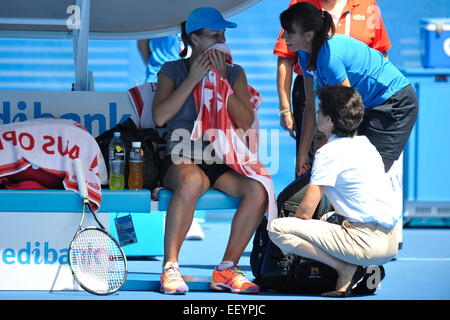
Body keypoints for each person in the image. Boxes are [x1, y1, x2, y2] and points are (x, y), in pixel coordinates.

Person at [152, 7, 267, 295]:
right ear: (194, 38)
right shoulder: (172, 70)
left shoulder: (234, 72)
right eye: (215, 35)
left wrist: (222, 83)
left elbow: (244, 122)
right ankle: (170, 268)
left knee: (259, 190)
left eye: (223, 34)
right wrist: (194, 79)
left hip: (221, 160)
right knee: (193, 180)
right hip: (181, 158)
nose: (222, 39)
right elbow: (160, 117)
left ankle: (227, 268)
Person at [268, 85, 399, 297]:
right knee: (328, 217)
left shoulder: (328, 152)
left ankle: (344, 267)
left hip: (365, 244)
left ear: (328, 120)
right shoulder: (367, 143)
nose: (316, 114)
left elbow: (305, 213)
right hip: (391, 243)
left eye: (319, 110)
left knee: (277, 229)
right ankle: (354, 265)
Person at [280, 2, 418, 175]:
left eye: (289, 32)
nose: (284, 37)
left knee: (368, 177)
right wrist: (302, 154)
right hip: (365, 104)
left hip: (394, 103)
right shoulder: (304, 54)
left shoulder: (330, 59)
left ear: (308, 35)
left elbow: (348, 112)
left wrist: (324, 144)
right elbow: (309, 107)